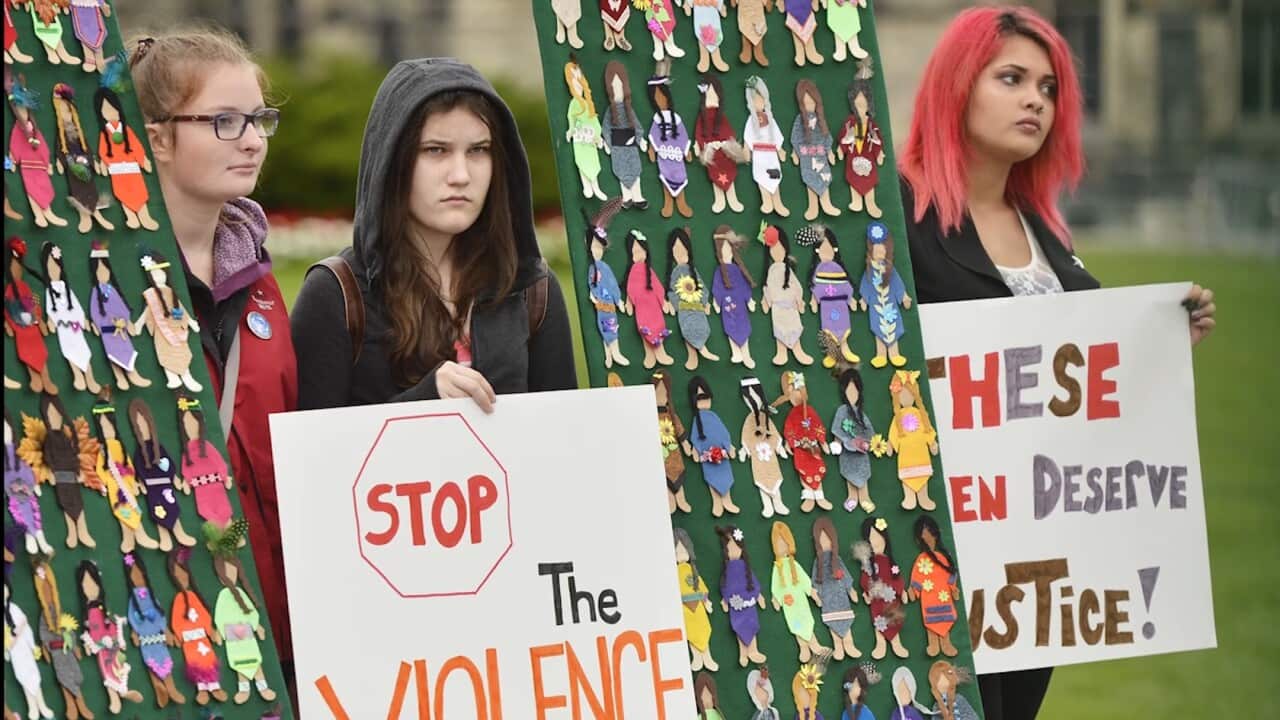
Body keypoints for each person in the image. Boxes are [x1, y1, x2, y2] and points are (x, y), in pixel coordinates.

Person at [898, 8, 1217, 719]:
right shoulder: (894, 216)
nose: (1036, 99)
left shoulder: (1044, 230)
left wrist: (1160, 345)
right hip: (938, 551)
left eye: (1047, 87)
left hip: (1038, 563)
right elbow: (805, 248)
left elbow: (1084, 373)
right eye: (1011, 78)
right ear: (957, 86)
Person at [130, 29, 298, 698]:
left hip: (286, 634)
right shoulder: (107, 291)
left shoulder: (262, 281)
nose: (253, 139)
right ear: (158, 138)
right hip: (177, 633)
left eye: (259, 120)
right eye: (225, 121)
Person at [291, 58, 577, 411]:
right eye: (435, 150)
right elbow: (310, 454)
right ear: (392, 161)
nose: (460, 174)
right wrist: (426, 401)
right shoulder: (337, 293)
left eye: (478, 150)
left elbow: (563, 441)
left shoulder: (533, 289)